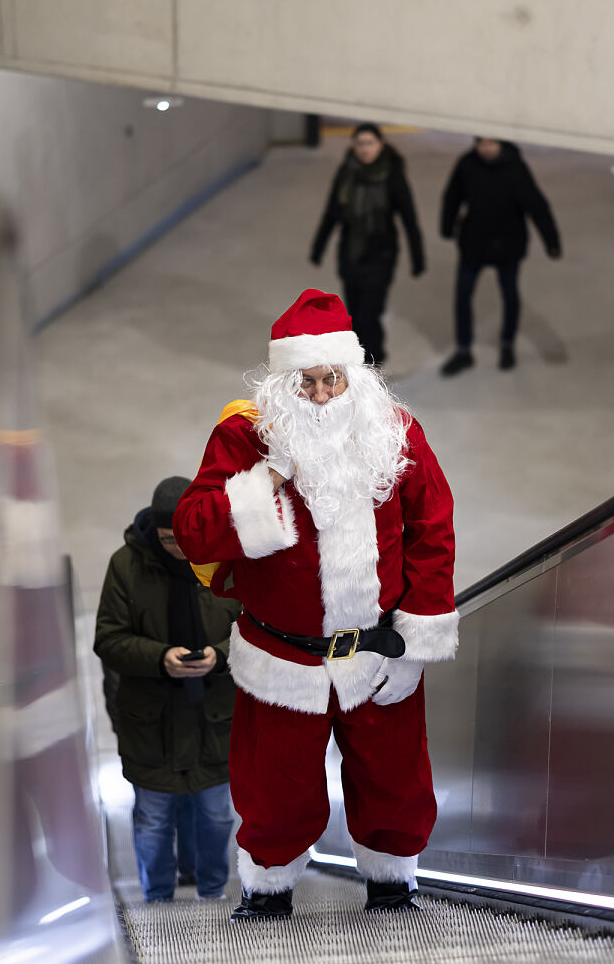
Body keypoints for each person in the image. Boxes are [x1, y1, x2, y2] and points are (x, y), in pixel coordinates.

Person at [174, 289, 458, 921]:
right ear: (282, 384)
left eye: (333, 378)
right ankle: (268, 888)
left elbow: (432, 526)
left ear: (353, 375)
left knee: (394, 778)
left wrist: (418, 636)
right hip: (282, 656)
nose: (324, 395)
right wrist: (264, 481)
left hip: (379, 652)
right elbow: (193, 529)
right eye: (308, 383)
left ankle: (393, 881)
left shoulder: (394, 432)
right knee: (274, 785)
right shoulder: (242, 438)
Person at [94, 475, 240, 902]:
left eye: (185, 539)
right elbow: (108, 639)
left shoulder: (227, 559)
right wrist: (161, 658)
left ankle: (214, 894)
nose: (179, 549)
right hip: (151, 722)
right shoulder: (126, 565)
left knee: (215, 817)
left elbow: (258, 626)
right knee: (153, 820)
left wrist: (220, 654)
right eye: (167, 539)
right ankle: (156, 899)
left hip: (214, 718)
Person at [439, 137, 562, 375]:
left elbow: (537, 205)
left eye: (491, 143)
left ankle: (507, 344)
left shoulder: (516, 168)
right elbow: (452, 196)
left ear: (502, 144)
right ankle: (463, 350)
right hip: (474, 242)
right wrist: (447, 225)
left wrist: (552, 242)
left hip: (508, 244)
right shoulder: (467, 164)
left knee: (509, 294)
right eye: (481, 143)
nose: (486, 148)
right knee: (463, 295)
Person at [309, 124, 425, 368]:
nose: (365, 148)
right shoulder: (346, 171)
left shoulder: (392, 174)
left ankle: (374, 362)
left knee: (369, 313)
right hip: (350, 252)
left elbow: (408, 216)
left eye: (370, 143)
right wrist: (319, 247)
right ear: (353, 145)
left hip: (381, 254)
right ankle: (360, 360)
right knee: (355, 313)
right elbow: (331, 211)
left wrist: (418, 256)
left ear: (380, 145)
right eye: (360, 143)